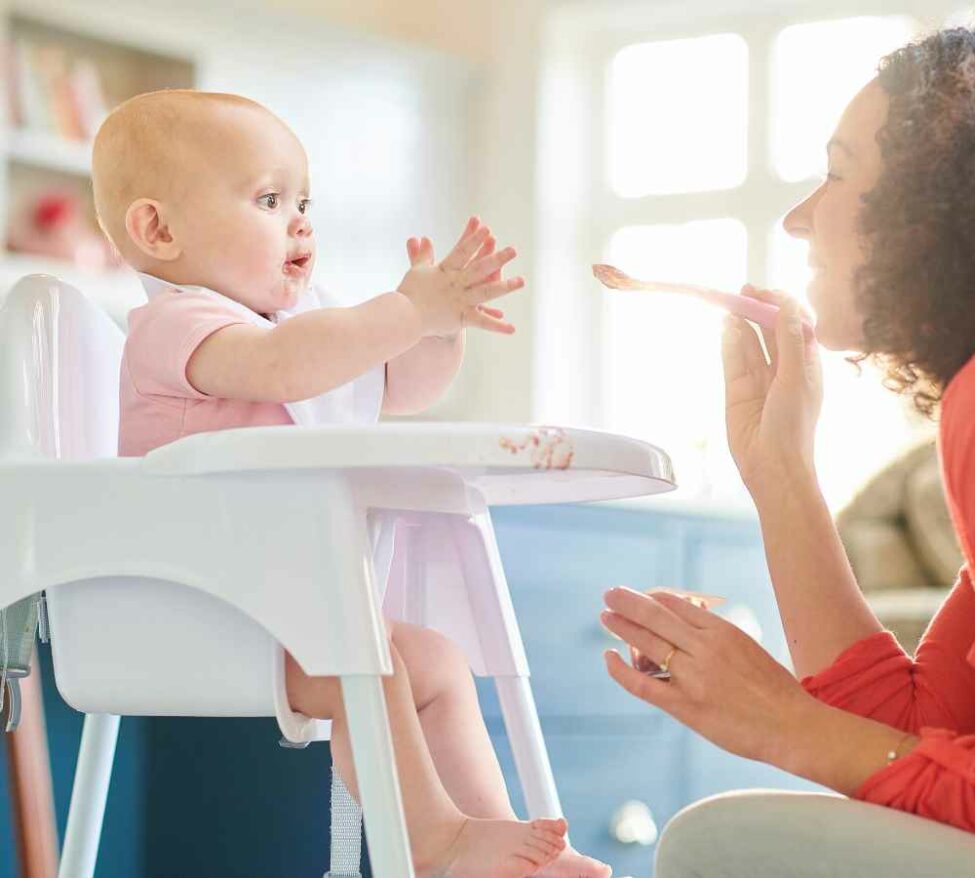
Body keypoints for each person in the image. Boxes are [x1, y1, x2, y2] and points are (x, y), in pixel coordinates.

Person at [599, 27, 975, 876]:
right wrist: (780, 470)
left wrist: (779, 722)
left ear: (945, 207)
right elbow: (922, 727)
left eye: (836, 173)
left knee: (715, 842)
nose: (798, 219)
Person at [95, 89, 611, 878]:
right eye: (269, 199)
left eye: (304, 202)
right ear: (158, 229)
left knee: (433, 658)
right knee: (370, 660)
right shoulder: (179, 324)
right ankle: (433, 843)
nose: (301, 221)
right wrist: (401, 309)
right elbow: (289, 366)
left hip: (278, 611)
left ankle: (498, 839)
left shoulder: (290, 330)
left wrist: (435, 327)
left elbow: (398, 390)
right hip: (192, 611)